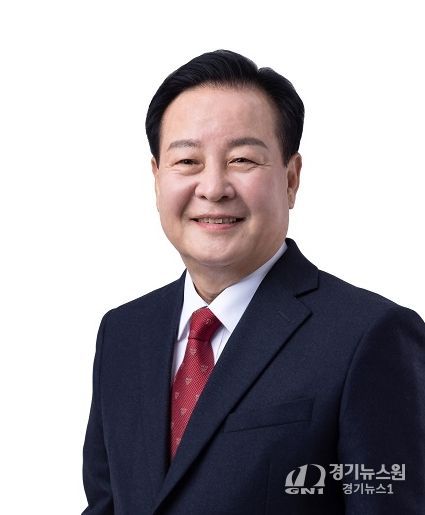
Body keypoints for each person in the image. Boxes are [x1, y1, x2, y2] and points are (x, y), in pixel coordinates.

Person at [81, 50, 425, 514]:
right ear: (157, 178)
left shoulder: (370, 336)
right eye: (187, 160)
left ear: (291, 178)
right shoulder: (124, 333)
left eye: (242, 159)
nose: (213, 187)